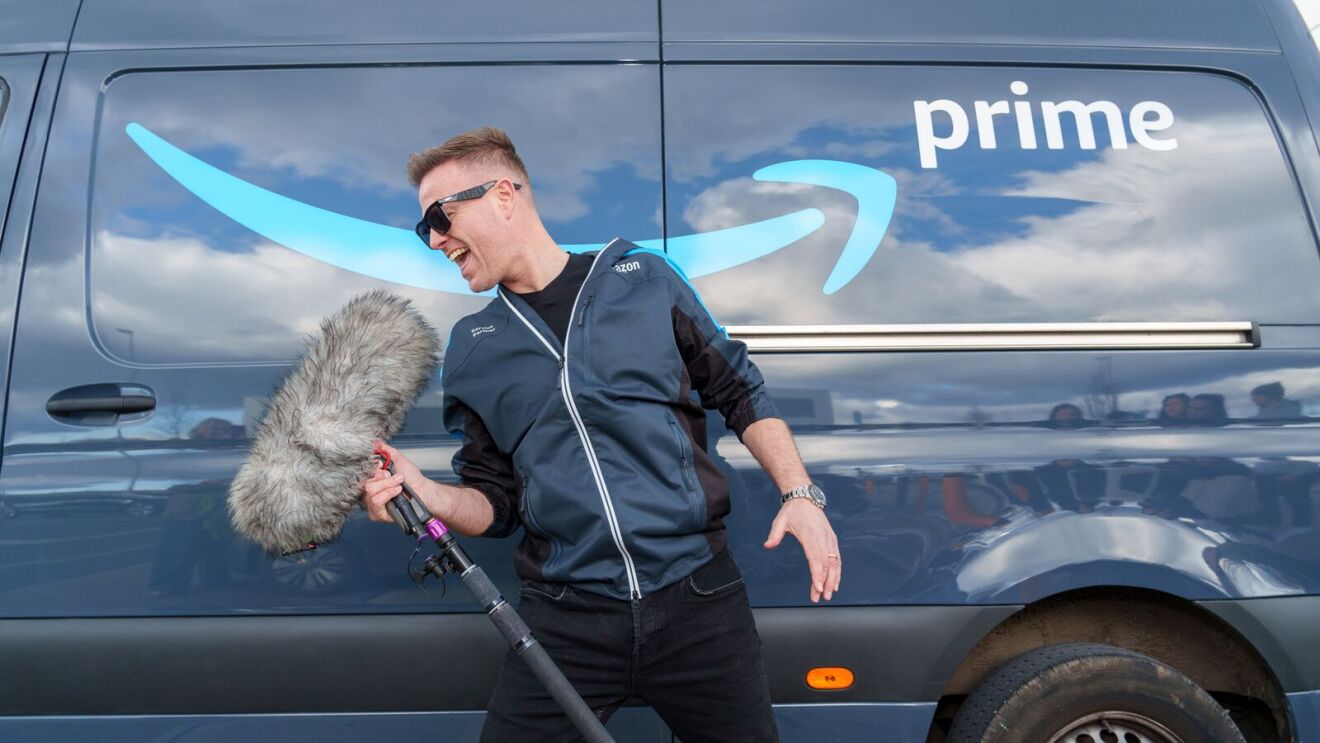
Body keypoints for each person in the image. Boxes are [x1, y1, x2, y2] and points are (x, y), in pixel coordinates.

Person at [361, 126, 841, 742]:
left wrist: (800, 496)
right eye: (421, 228)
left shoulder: (642, 279)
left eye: (440, 216)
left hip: (697, 601)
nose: (433, 239)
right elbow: (495, 503)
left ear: (505, 195)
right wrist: (426, 492)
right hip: (566, 620)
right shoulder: (473, 349)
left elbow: (739, 390)